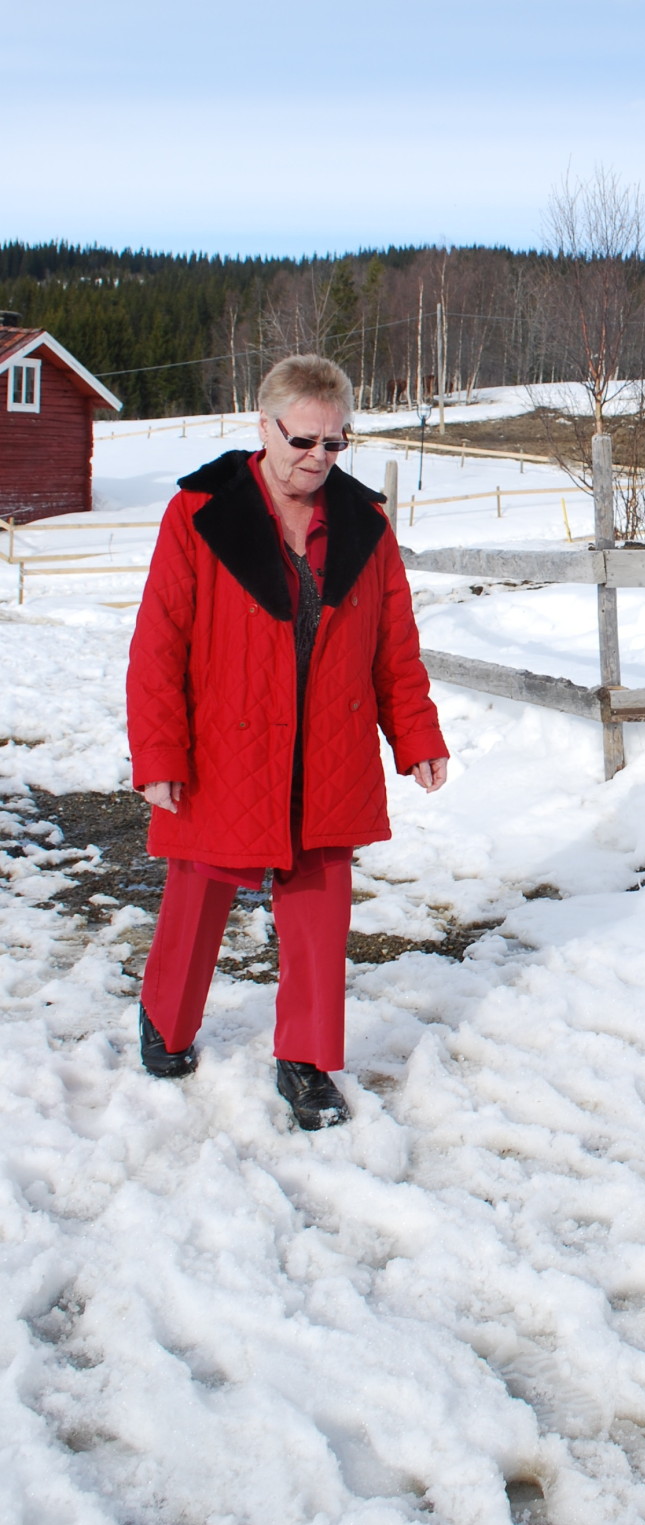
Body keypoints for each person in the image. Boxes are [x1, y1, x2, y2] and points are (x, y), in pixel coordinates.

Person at [126, 354, 449, 1130]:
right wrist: (160, 756)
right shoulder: (201, 512)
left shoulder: (365, 523)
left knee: (319, 907)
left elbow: (393, 645)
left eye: (336, 443)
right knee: (198, 890)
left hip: (326, 748)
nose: (320, 458)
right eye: (305, 440)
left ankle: (305, 1060)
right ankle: (164, 1020)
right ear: (263, 425)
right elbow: (158, 644)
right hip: (224, 748)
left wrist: (416, 734)